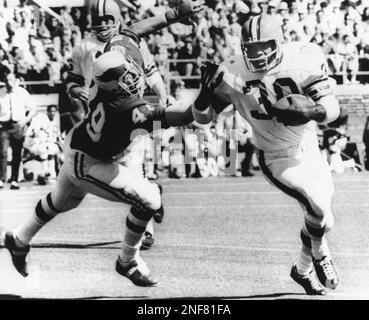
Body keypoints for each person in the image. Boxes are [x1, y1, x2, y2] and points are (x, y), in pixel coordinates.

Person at [3, 41, 194, 287]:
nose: (131, 76)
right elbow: (172, 116)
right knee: (149, 199)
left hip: (79, 146)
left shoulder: (98, 87)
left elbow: (108, 66)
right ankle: (128, 260)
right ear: (113, 83)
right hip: (87, 162)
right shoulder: (123, 105)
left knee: (62, 202)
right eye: (124, 75)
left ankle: (18, 239)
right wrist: (205, 103)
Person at [192, 15, 341, 296]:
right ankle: (321, 255)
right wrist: (204, 92)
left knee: (324, 219)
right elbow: (203, 117)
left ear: (280, 42)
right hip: (275, 156)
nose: (258, 55)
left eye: (264, 47)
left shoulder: (303, 58)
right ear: (243, 47)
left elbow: (331, 105)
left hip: (308, 148)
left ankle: (301, 270)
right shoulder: (232, 73)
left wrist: (311, 112)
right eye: (251, 48)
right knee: (318, 205)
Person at [64, 0, 204, 248]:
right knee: (123, 178)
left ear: (117, 20)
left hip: (128, 111)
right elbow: (71, 81)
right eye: (98, 21)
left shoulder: (126, 42)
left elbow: (150, 71)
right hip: (100, 116)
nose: (103, 25)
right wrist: (77, 91)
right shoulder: (83, 48)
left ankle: (147, 230)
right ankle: (152, 198)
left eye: (107, 20)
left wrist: (162, 95)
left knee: (134, 168)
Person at [0, 65, 36, 190]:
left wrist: (25, 120)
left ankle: (14, 180)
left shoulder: (22, 92)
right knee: (2, 153)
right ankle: (1, 179)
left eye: (10, 80)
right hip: (4, 126)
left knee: (17, 154)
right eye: (6, 80)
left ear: (15, 81)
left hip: (18, 125)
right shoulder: (1, 92)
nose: (8, 83)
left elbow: (33, 108)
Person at [23, 104, 63, 185]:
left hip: (47, 146)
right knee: (45, 150)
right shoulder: (40, 119)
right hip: (36, 146)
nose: (53, 113)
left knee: (53, 151)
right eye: (51, 111)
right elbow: (30, 135)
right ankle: (45, 173)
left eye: (54, 112)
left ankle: (49, 175)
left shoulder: (55, 122)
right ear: (47, 112)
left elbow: (57, 138)